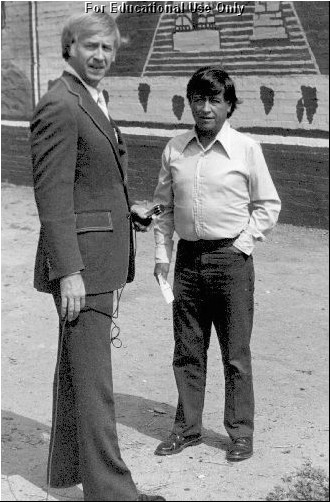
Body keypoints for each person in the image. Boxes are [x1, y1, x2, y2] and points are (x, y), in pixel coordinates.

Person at [30, 12, 165, 501]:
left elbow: (88, 180)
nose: (101, 57)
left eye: (108, 49)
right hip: (83, 266)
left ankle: (71, 472)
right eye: (91, 46)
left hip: (97, 253)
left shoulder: (91, 99)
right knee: (95, 383)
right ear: (68, 47)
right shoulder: (61, 105)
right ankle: (115, 494)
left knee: (78, 374)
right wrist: (68, 272)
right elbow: (51, 194)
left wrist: (127, 209)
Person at [153, 66, 281, 462]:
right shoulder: (175, 149)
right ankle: (187, 428)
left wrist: (242, 245)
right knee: (187, 349)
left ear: (229, 106)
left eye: (215, 100)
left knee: (235, 352)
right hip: (188, 262)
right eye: (198, 99)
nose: (206, 108)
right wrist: (162, 256)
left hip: (232, 260)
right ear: (189, 103)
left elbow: (268, 206)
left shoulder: (246, 149)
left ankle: (240, 433)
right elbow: (164, 209)